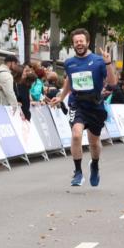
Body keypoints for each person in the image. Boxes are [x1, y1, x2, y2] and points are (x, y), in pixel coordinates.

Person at [50, 29, 118, 187]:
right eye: (76, 41)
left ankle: (94, 164)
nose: (79, 43)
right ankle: (78, 172)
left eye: (82, 41)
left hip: (95, 106)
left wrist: (108, 63)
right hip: (77, 104)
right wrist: (61, 96)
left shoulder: (99, 61)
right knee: (76, 135)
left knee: (94, 143)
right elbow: (69, 81)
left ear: (87, 42)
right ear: (73, 44)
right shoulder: (69, 63)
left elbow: (112, 83)